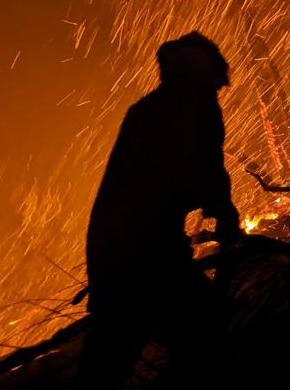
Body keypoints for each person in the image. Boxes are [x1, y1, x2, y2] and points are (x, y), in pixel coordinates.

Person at [73, 31, 243, 388]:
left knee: (113, 355)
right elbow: (197, 172)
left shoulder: (151, 109)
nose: (216, 92)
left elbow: (196, 172)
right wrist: (224, 212)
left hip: (121, 250)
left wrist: (220, 209)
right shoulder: (190, 107)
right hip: (143, 254)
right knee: (204, 337)